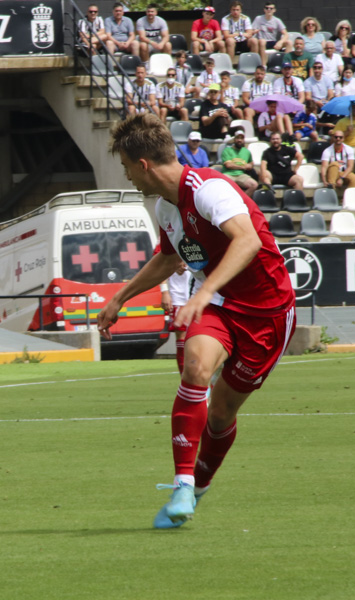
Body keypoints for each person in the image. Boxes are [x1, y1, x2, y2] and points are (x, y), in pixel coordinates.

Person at [99, 113, 295, 528]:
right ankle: (182, 484)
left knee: (221, 413)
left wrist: (202, 291)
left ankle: (200, 485)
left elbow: (248, 239)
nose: (127, 177)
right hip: (221, 304)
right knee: (195, 367)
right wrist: (121, 296)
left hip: (269, 312)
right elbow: (170, 258)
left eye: (125, 167)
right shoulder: (164, 207)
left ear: (143, 165)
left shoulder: (209, 188)